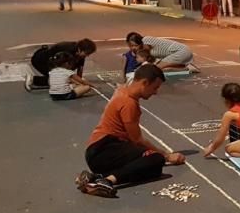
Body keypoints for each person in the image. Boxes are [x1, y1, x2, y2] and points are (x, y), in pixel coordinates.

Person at [76, 63, 186, 198]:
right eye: (155, 87)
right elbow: (137, 140)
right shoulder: (129, 103)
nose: (155, 92)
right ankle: (106, 181)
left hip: (99, 150)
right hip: (104, 149)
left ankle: (94, 178)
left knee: (153, 170)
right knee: (156, 159)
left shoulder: (123, 91)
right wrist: (167, 156)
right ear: (144, 83)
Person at [25, 38, 97, 91]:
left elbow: (80, 68)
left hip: (52, 61)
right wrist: (81, 83)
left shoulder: (80, 55)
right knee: (59, 80)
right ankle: (33, 80)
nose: (87, 56)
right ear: (80, 49)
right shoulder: (66, 51)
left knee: (66, 79)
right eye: (87, 53)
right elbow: (62, 71)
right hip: (40, 60)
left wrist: (79, 82)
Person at [126, 32, 197, 72]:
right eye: (131, 46)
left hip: (181, 51)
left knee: (158, 67)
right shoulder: (145, 50)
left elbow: (145, 56)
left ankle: (188, 66)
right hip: (180, 52)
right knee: (163, 65)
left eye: (135, 45)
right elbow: (150, 60)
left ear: (140, 43)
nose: (133, 48)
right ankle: (188, 66)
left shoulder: (146, 40)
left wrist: (138, 70)